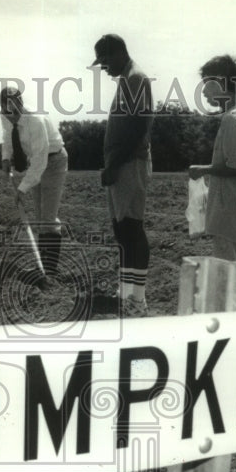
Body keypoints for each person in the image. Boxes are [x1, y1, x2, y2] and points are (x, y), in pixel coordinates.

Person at [92, 33, 154, 316]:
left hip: (129, 163)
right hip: (121, 163)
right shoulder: (128, 78)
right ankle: (127, 290)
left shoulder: (136, 78)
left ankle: (137, 297)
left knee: (131, 227)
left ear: (118, 53)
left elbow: (138, 127)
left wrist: (114, 164)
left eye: (105, 61)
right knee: (122, 229)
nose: (103, 68)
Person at [188, 54, 236, 262]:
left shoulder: (231, 119)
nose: (203, 91)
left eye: (207, 84)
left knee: (226, 272)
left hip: (229, 209)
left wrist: (204, 170)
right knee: (233, 270)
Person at [0, 86, 68, 279]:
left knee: (48, 217)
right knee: (39, 217)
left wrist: (21, 189)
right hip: (37, 161)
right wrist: (6, 157)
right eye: (5, 112)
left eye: (12, 112)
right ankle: (41, 267)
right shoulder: (5, 113)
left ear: (20, 106)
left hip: (53, 160)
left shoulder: (35, 121)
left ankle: (50, 271)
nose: (9, 116)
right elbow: (7, 136)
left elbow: (40, 161)